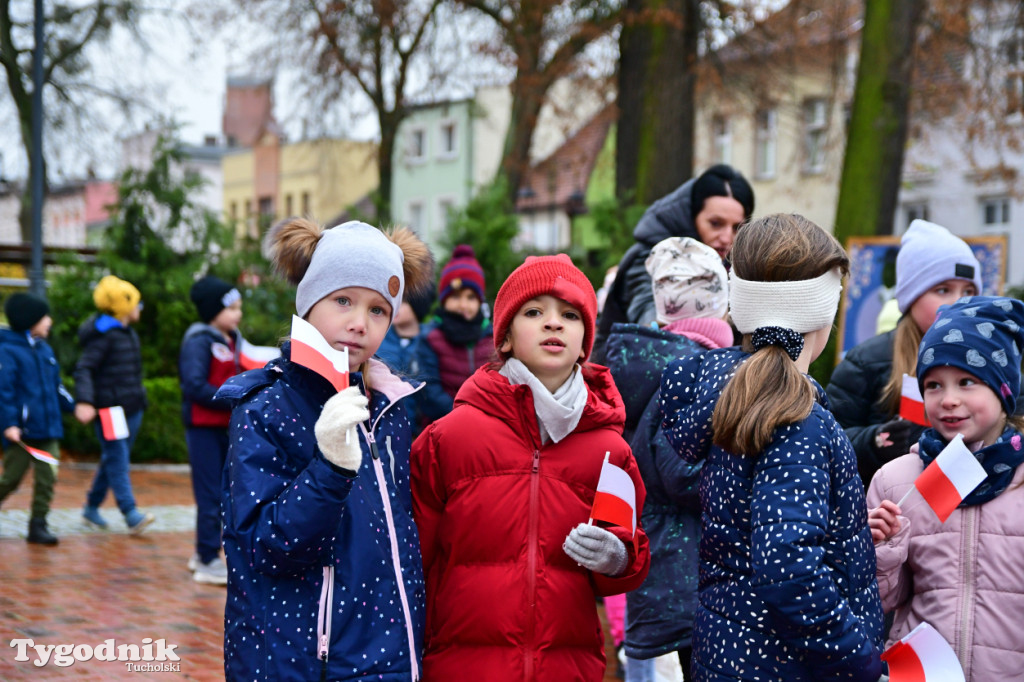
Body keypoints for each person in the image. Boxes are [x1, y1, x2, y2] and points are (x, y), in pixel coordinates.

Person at [660, 214, 885, 681]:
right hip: (786, 666)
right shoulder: (794, 417)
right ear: (819, 312)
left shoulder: (734, 395)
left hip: (732, 655)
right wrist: (861, 663)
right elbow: (789, 566)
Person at [411, 254, 651, 681]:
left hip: (567, 668)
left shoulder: (611, 451)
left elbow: (626, 562)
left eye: (570, 314)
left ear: (584, 342)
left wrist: (618, 556)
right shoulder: (448, 439)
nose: (553, 323)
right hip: (461, 667)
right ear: (503, 338)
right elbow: (412, 562)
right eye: (534, 311)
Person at [214, 218, 432, 681]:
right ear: (310, 303)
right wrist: (329, 466)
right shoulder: (265, 407)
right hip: (302, 660)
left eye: (378, 310)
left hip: (388, 656)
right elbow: (266, 547)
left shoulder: (391, 405)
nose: (359, 323)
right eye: (343, 300)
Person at [867, 296, 1024, 680]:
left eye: (967, 381)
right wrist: (881, 550)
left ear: (1003, 390)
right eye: (934, 385)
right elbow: (878, 602)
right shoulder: (895, 480)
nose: (949, 400)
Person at [605, 237, 733, 681]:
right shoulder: (700, 378)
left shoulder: (648, 371)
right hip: (699, 572)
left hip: (667, 567)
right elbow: (685, 474)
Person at [827, 219, 982, 486]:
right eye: (943, 290)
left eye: (968, 291)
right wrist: (876, 440)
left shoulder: (992, 359)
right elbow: (829, 441)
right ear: (911, 297)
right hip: (891, 509)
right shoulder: (866, 362)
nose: (959, 302)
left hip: (973, 514)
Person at [593, 164, 754, 362]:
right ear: (691, 216)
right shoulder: (653, 256)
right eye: (716, 224)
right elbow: (649, 313)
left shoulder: (729, 263)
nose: (727, 237)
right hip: (625, 373)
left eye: (737, 227)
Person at [178, 275, 246, 585]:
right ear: (212, 310)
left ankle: (204, 553)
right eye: (231, 308)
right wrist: (230, 398)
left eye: (239, 307)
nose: (238, 314)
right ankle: (206, 559)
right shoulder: (199, 340)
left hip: (225, 428)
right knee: (209, 496)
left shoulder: (234, 340)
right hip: (203, 429)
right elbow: (194, 385)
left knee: (227, 493)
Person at [75, 275, 155, 535]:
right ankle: (131, 514)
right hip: (110, 410)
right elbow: (84, 368)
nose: (139, 308)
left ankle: (91, 507)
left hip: (132, 407)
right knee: (118, 460)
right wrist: (85, 401)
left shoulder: (126, 332)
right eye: (136, 303)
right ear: (124, 307)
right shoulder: (104, 336)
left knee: (113, 457)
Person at [0, 293, 75, 545]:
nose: (49, 321)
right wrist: (9, 424)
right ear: (30, 320)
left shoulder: (45, 350)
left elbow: (57, 386)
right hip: (22, 431)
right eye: (45, 317)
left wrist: (74, 406)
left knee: (47, 477)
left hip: (48, 429)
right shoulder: (8, 351)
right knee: (10, 479)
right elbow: (4, 391)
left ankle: (38, 525)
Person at [415, 244, 493, 423]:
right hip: (444, 425)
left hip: (487, 425)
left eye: (471, 297)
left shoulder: (491, 337)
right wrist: (462, 415)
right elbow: (429, 391)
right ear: (444, 300)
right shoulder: (431, 337)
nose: (463, 305)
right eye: (456, 296)